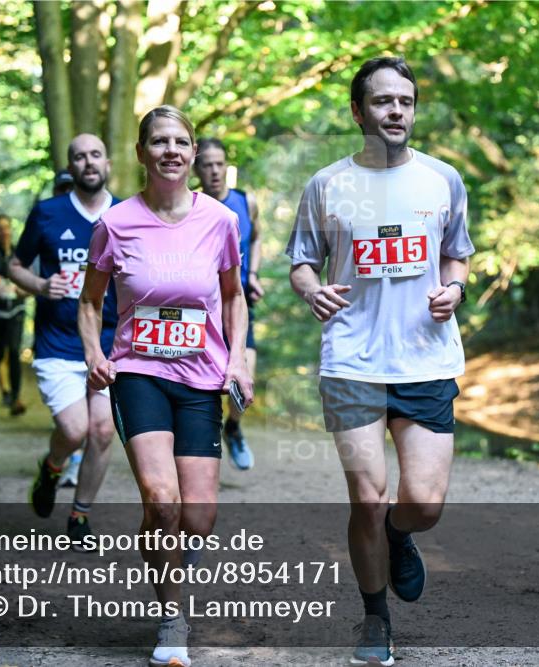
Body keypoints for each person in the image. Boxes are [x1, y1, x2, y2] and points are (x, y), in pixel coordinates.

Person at [286, 56, 473, 665]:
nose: (396, 111)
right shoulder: (327, 185)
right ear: (358, 110)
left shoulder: (443, 179)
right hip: (352, 361)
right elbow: (301, 261)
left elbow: (458, 254)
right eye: (383, 101)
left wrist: (456, 289)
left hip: (424, 358)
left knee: (424, 503)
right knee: (367, 495)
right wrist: (312, 289)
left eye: (406, 101)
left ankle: (399, 537)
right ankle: (374, 619)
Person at [80, 105, 252, 667]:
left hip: (201, 378)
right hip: (139, 373)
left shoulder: (220, 220)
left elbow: (233, 296)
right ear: (141, 152)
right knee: (161, 497)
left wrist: (237, 363)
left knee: (197, 517)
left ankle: (166, 543)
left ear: (193, 151)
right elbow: (90, 300)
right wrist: (94, 353)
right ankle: (173, 619)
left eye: (181, 141)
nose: (171, 151)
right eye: (159, 142)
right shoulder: (116, 222)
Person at [9, 134, 120, 542]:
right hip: (58, 344)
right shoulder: (47, 213)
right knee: (74, 431)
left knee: (103, 430)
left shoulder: (128, 214)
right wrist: (40, 285)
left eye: (95, 154)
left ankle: (80, 516)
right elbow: (15, 265)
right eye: (79, 157)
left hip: (111, 345)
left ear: (107, 162)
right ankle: (52, 468)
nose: (88, 163)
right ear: (69, 167)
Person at [193, 137, 264, 470]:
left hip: (239, 300)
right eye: (206, 164)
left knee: (242, 378)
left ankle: (233, 427)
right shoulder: (189, 205)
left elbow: (257, 237)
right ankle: (200, 449)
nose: (214, 170)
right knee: (204, 384)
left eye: (219, 164)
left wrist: (254, 274)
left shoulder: (246, 202)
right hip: (201, 307)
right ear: (197, 168)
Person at [0, 214, 27, 416]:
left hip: (16, 309)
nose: (3, 231)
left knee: (14, 351)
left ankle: (15, 398)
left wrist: (23, 289)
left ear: (11, 229)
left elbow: (29, 277)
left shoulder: (20, 251)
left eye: (6, 227)